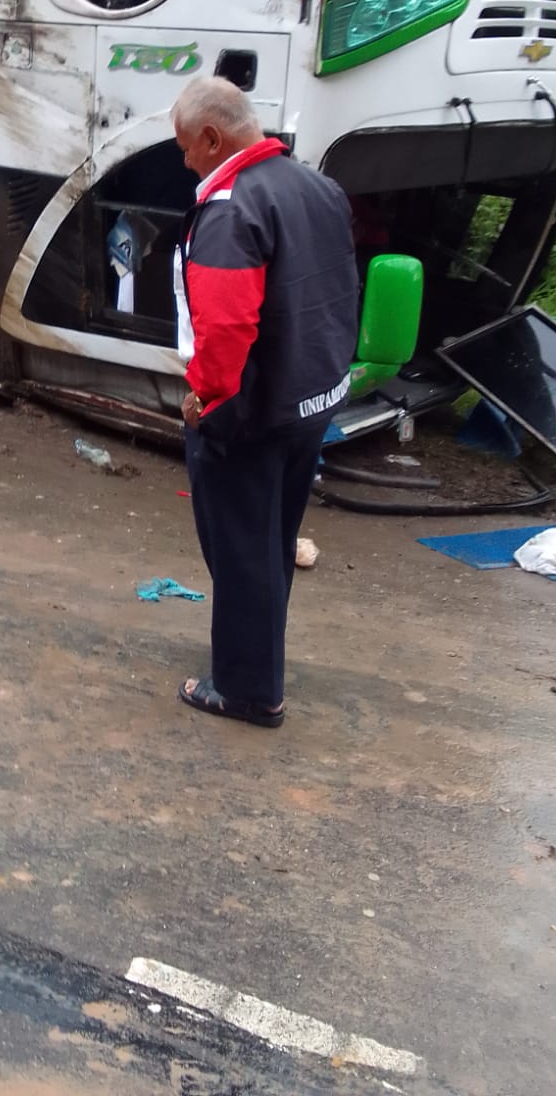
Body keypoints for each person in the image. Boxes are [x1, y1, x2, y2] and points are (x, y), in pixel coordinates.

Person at [171, 77, 357, 729]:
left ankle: (248, 690)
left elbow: (224, 327)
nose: (185, 160)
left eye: (185, 147)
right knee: (272, 538)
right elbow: (339, 290)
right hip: (309, 400)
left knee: (240, 547)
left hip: (250, 410)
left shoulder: (230, 208)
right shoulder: (317, 187)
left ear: (212, 137)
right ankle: (258, 657)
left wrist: (206, 398)